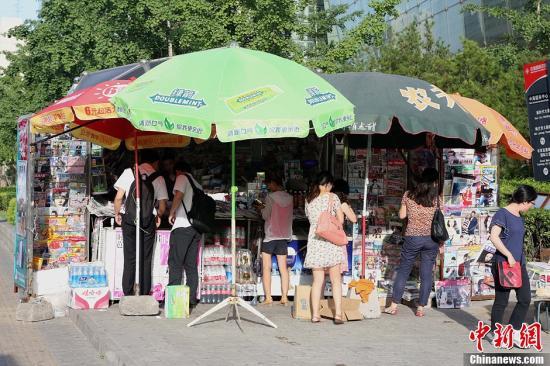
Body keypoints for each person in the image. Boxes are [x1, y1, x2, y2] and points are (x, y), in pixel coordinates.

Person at [384, 168, 442, 317]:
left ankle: (394, 305)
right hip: (431, 239)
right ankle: (421, 308)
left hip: (412, 237)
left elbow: (402, 215)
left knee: (404, 270)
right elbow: (440, 220)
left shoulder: (409, 195)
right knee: (426, 273)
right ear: (434, 182)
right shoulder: (436, 198)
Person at [114, 150, 168, 296]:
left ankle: (128, 291)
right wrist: (159, 216)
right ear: (155, 163)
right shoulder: (159, 178)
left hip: (129, 220)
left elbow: (119, 198)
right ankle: (144, 292)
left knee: (130, 256)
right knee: (145, 258)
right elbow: (162, 205)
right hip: (148, 221)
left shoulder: (128, 172)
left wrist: (117, 213)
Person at [488, 185, 537, 346]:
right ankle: (496, 335)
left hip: (518, 263)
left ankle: (514, 331)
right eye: (532, 203)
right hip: (504, 263)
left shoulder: (519, 215)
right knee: (501, 301)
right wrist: (508, 255)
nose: (532, 206)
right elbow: (494, 237)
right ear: (524, 201)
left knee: (525, 299)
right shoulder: (502, 214)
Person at [304, 172, 345, 324]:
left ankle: (315, 315)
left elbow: (310, 220)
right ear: (328, 184)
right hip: (331, 242)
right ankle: (338, 314)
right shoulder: (333, 197)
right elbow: (340, 219)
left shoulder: (309, 200)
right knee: (335, 281)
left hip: (315, 243)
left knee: (317, 281)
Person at [168, 160, 202, 306]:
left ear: (178, 171)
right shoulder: (198, 184)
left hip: (182, 226)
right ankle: (190, 300)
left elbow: (178, 195)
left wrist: (172, 212)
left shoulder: (182, 178)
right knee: (190, 266)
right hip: (195, 229)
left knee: (175, 263)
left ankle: (174, 302)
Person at [257, 172, 293, 306]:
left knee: (267, 267)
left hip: (271, 235)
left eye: (269, 184)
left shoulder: (270, 197)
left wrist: (261, 208)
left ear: (274, 183)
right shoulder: (290, 197)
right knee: (283, 268)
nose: (268, 186)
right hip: (284, 236)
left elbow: (266, 216)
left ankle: (268, 297)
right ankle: (284, 297)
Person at [333, 179, 357, 274]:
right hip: (338, 236)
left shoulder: (329, 202)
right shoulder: (342, 204)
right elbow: (354, 219)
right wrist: (348, 205)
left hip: (328, 235)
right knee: (338, 267)